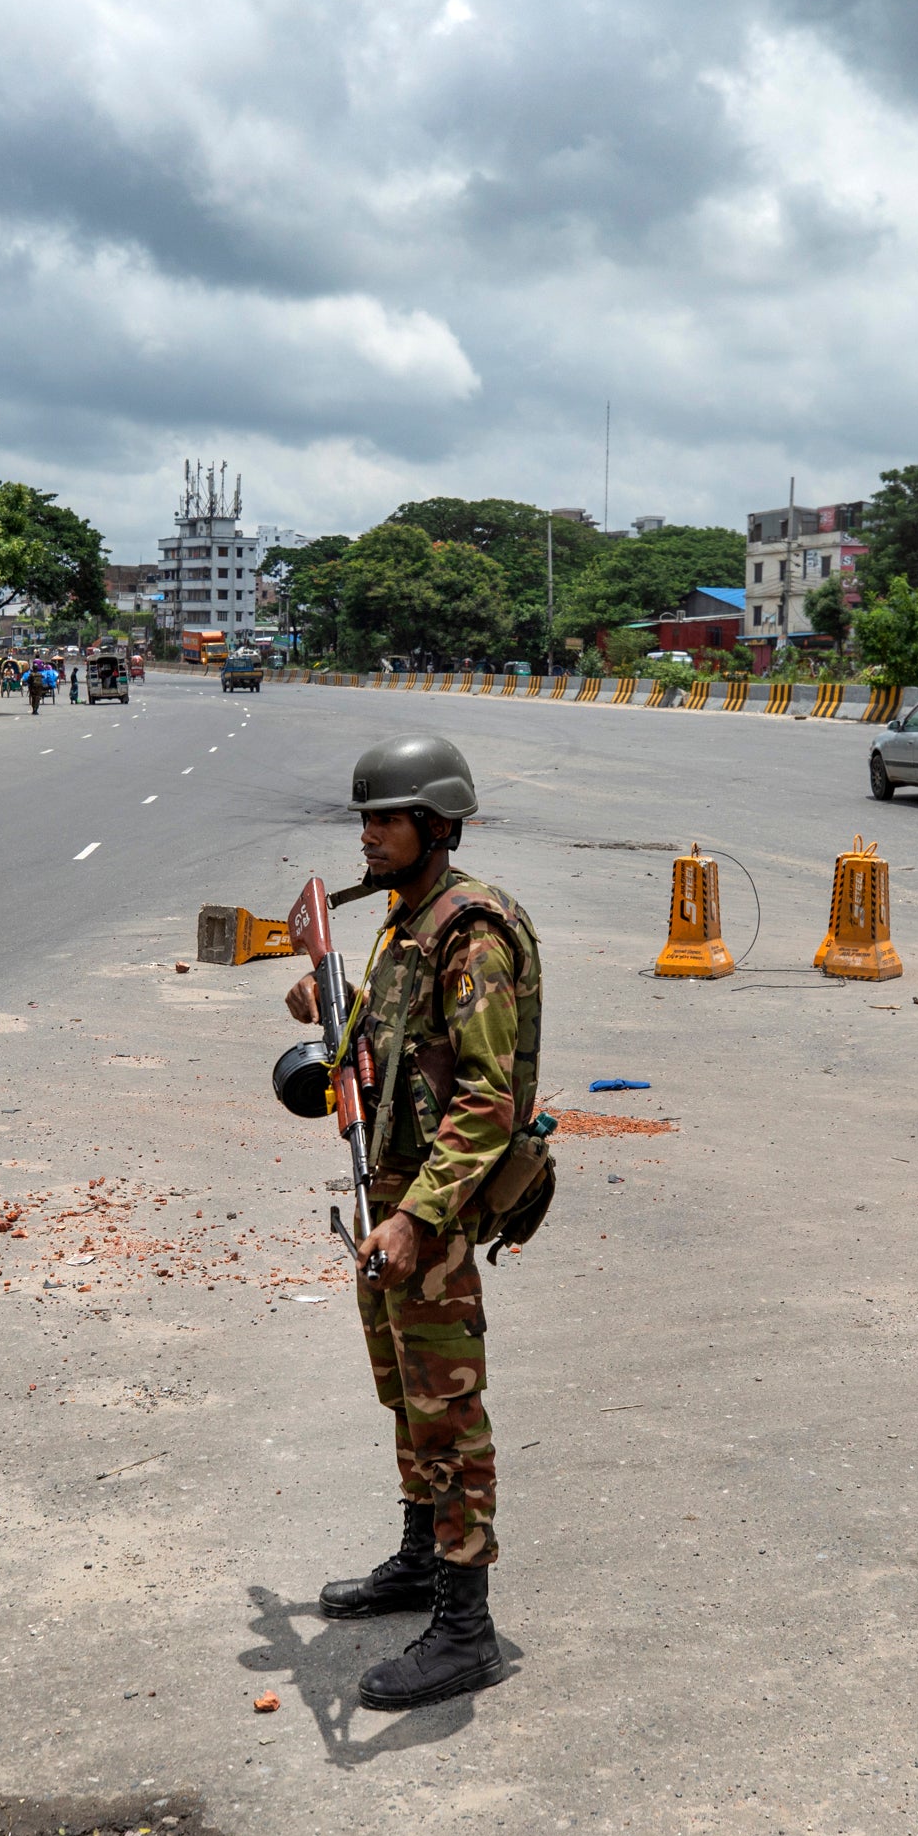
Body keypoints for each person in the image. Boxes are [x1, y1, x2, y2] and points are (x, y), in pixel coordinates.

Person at [283, 731, 543, 1710]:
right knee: (406, 1391)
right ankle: (419, 1555)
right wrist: (330, 1007)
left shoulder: (469, 929)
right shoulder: (405, 921)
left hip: (430, 1206)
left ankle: (466, 1626)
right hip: (387, 1198)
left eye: (385, 818)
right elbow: (390, 1049)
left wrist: (420, 1214)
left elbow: (486, 1098)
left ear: (436, 822)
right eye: (365, 817)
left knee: (448, 1405)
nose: (368, 834)